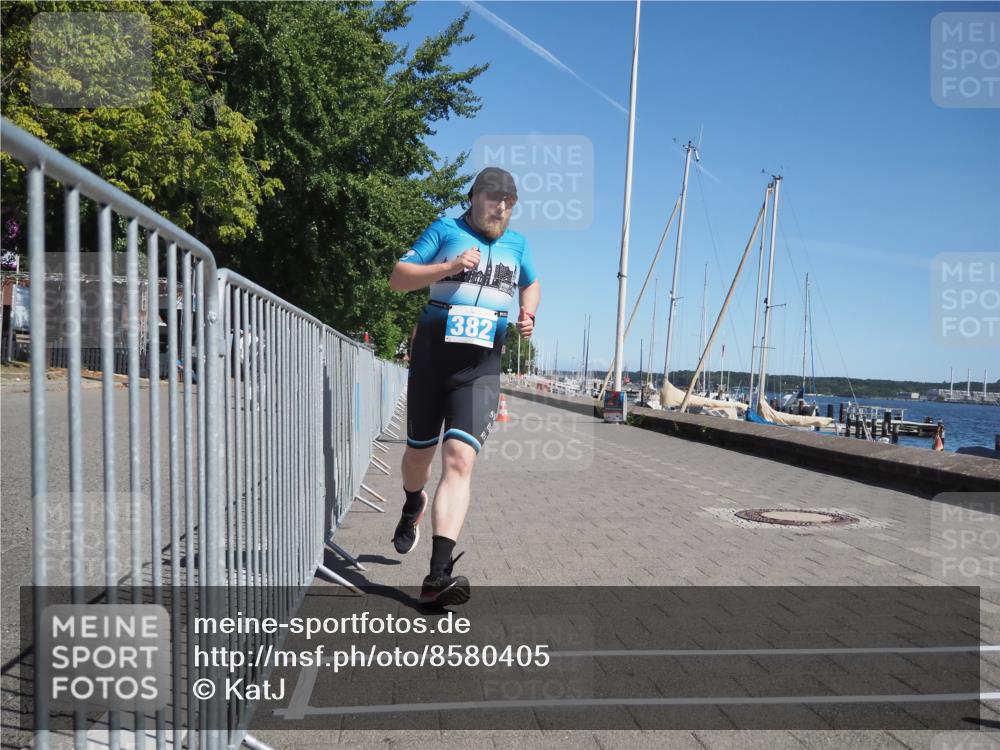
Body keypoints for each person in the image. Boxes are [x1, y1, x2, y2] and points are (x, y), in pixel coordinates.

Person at [388, 167, 540, 606]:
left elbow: (531, 282)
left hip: (481, 370)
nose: (502, 208)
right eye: (494, 199)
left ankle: (437, 576)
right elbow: (398, 277)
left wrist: (528, 314)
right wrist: (450, 267)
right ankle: (412, 502)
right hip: (432, 362)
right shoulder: (445, 230)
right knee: (418, 456)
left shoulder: (518, 244)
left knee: (459, 459)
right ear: (474, 197)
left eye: (510, 202)